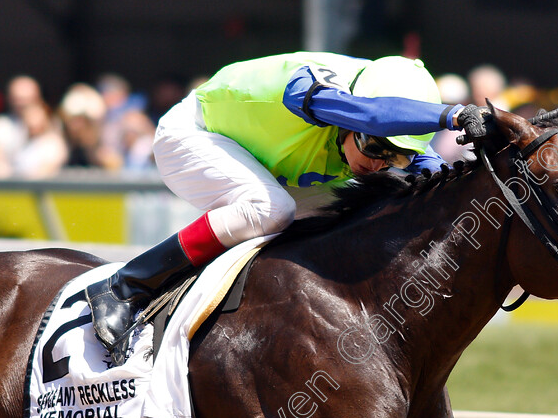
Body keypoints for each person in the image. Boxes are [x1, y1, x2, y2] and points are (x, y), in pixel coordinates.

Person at [85, 52, 484, 364]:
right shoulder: (310, 83)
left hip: (264, 162)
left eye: (394, 157)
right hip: (192, 134)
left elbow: (437, 177)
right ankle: (126, 286)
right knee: (269, 209)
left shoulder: (379, 126)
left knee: (361, 210)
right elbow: (374, 114)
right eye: (375, 147)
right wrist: (451, 114)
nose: (378, 162)